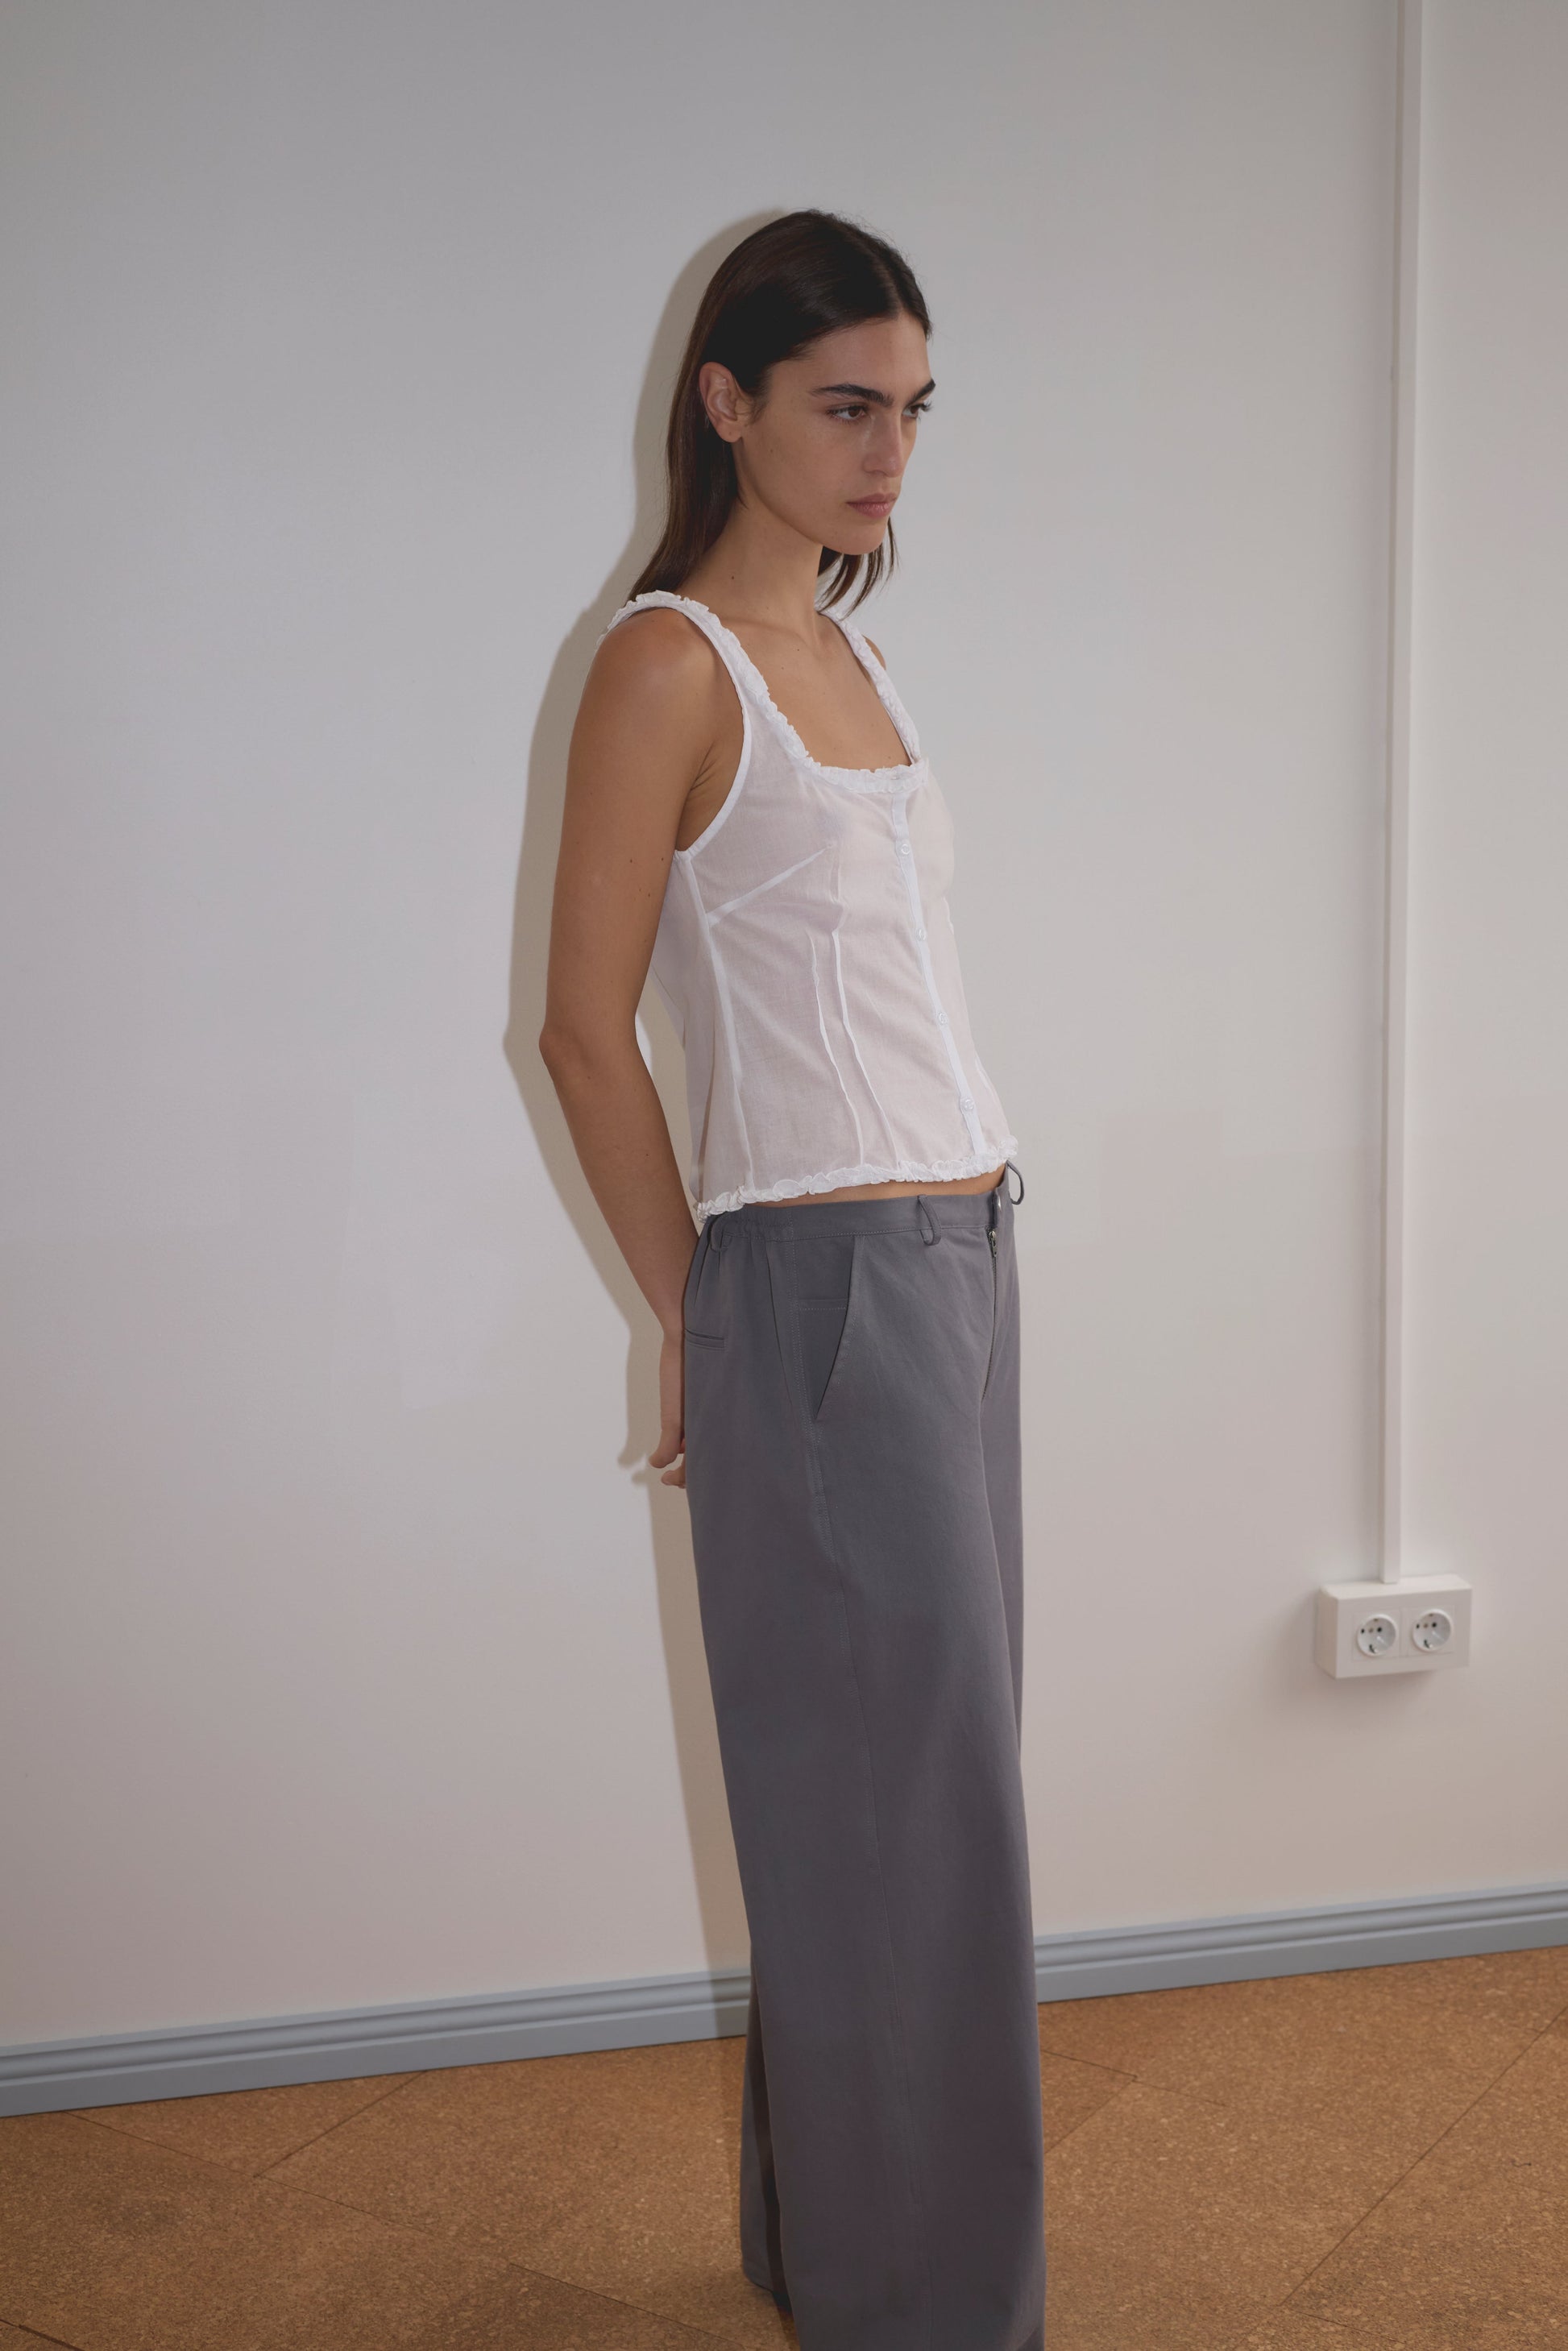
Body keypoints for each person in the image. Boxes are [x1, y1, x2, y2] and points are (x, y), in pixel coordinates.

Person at [539, 208, 1046, 2351]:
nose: (886, 453)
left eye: (911, 411)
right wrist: (705, 1316)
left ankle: (828, 2251)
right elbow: (578, 1030)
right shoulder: (670, 661)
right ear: (725, 398)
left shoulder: (851, 650)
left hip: (958, 1261)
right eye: (846, 405)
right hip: (824, 1282)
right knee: (905, 1817)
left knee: (901, 1790)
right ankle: (927, 2310)